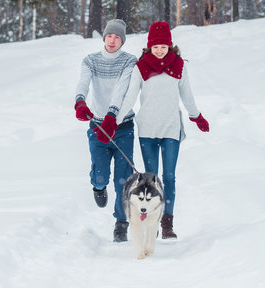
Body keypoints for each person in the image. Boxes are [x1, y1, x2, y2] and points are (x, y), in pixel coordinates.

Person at [113, 21, 209, 239]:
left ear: (170, 45)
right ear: (149, 47)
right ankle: (153, 222)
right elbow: (130, 97)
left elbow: (187, 95)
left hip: (171, 128)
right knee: (151, 178)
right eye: (155, 47)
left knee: (170, 177)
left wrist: (196, 116)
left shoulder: (179, 66)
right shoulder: (141, 67)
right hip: (147, 129)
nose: (159, 50)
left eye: (163, 46)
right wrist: (115, 121)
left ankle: (167, 224)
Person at [74, 19, 137, 242]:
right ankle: (98, 186)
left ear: (122, 40)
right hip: (98, 127)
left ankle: (121, 223)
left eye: (117, 37)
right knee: (101, 175)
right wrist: (80, 101)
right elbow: (83, 82)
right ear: (104, 37)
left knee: (123, 179)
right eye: (110, 36)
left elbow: (122, 89)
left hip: (122, 128)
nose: (112, 40)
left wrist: (112, 114)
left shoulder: (129, 61)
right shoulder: (90, 60)